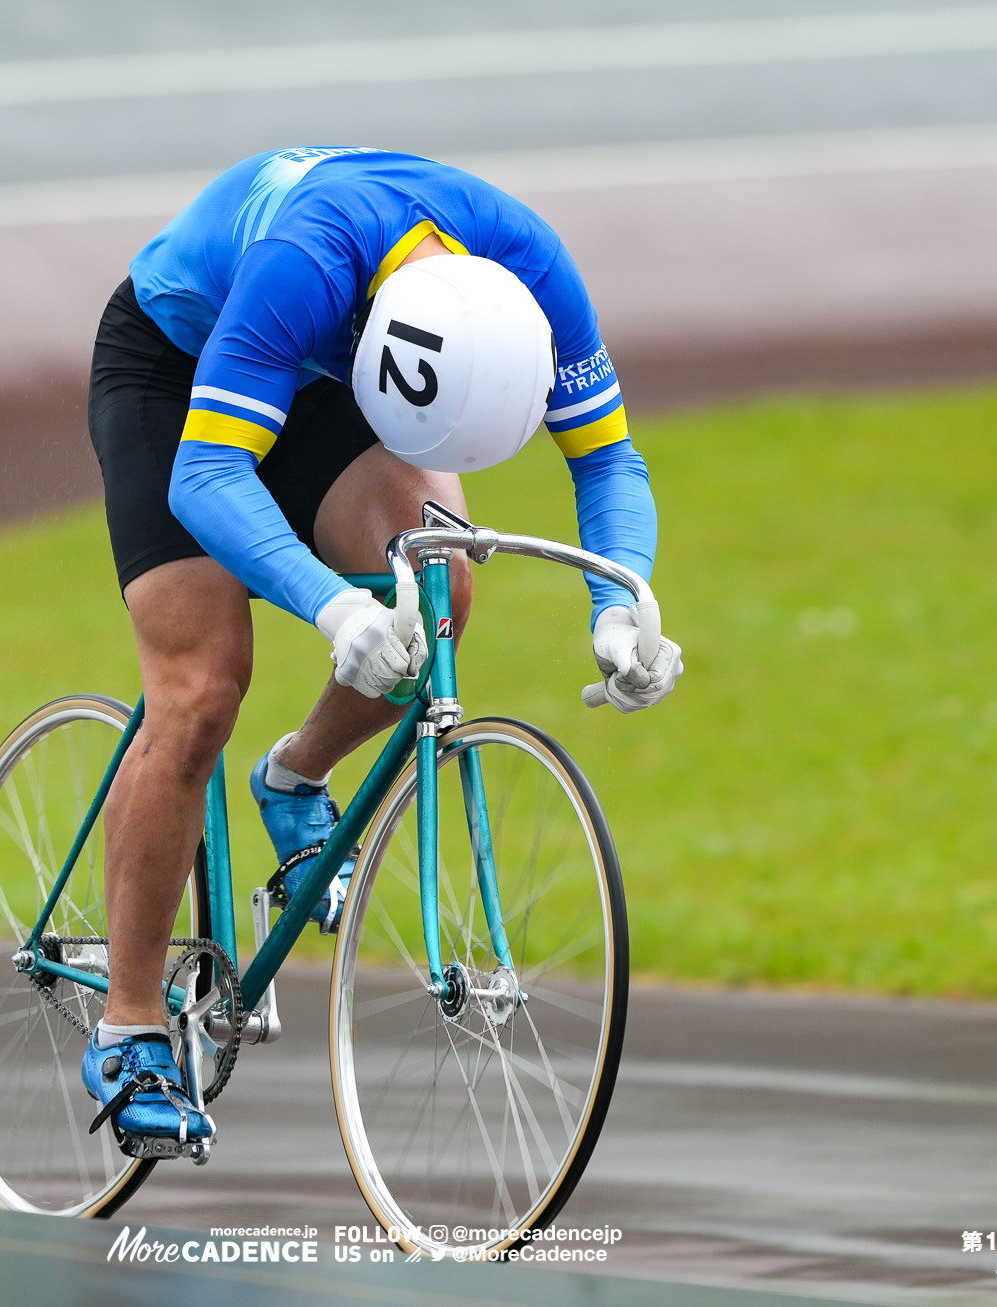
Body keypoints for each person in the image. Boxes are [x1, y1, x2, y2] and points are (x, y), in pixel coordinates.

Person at [81, 146, 683, 1145]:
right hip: (180, 362)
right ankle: (131, 1021)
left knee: (436, 582)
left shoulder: (533, 271)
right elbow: (206, 478)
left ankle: (295, 777)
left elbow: (610, 458)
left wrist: (616, 608)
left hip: (336, 374)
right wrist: (334, 609)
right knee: (200, 689)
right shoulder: (307, 261)